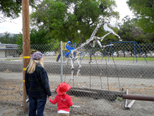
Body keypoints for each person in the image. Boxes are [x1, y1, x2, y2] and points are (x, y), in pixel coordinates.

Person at [25, 51, 52, 116]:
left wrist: (28, 93)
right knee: (40, 111)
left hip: (31, 94)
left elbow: (27, 83)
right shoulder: (41, 69)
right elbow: (45, 84)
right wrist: (49, 94)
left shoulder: (28, 69)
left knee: (32, 110)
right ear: (40, 59)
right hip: (41, 95)